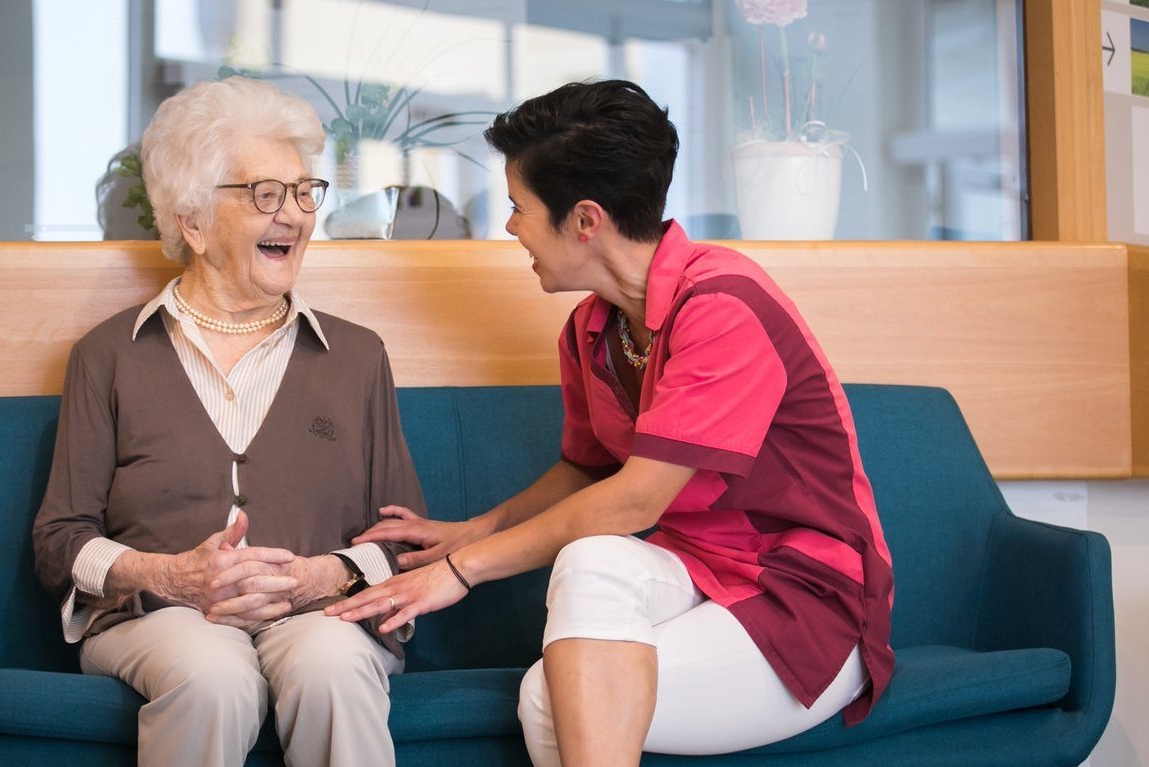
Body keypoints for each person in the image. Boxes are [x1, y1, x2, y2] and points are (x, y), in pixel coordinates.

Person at [327, 80, 895, 765]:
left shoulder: (723, 306)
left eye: (520, 207)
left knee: (547, 698)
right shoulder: (592, 328)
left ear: (586, 220)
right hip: (699, 575)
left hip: (805, 602)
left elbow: (634, 498)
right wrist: (473, 528)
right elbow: (590, 471)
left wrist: (463, 568)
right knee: (591, 559)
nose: (510, 226)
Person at [31, 77, 426, 767]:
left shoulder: (358, 356)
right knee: (211, 674)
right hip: (162, 618)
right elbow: (60, 541)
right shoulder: (107, 356)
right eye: (265, 195)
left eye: (305, 193)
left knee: (332, 667)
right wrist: (172, 574)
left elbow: (404, 540)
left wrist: (318, 577)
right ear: (191, 220)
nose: (296, 216)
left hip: (318, 615)